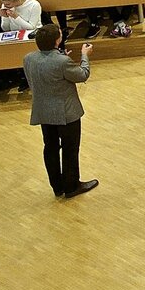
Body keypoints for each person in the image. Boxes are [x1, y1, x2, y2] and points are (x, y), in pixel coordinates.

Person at [27, 25, 95, 198]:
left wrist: (61, 57)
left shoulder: (28, 58)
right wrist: (84, 56)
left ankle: (57, 187)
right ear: (57, 40)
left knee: (50, 148)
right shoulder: (62, 61)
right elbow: (82, 75)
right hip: (66, 113)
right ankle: (71, 186)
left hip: (43, 111)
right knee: (70, 149)